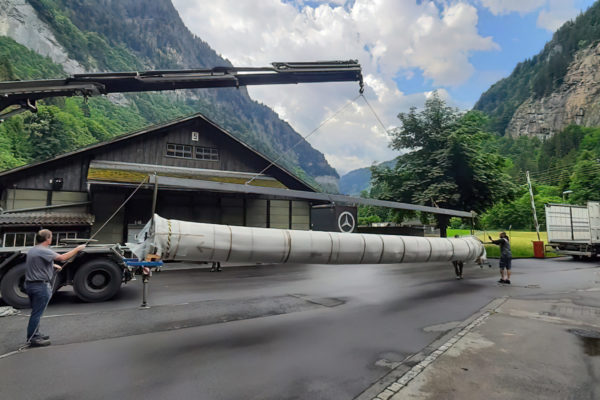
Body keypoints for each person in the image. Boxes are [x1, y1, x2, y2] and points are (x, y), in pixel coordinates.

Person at [25, 229, 85, 347]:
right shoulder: (44, 250)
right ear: (47, 239)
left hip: (31, 285)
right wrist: (77, 249)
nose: (51, 238)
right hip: (40, 286)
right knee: (37, 313)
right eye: (51, 237)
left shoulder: (33, 250)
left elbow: (36, 262)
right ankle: (33, 339)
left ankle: (35, 333)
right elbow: (62, 257)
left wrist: (52, 265)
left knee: (35, 312)